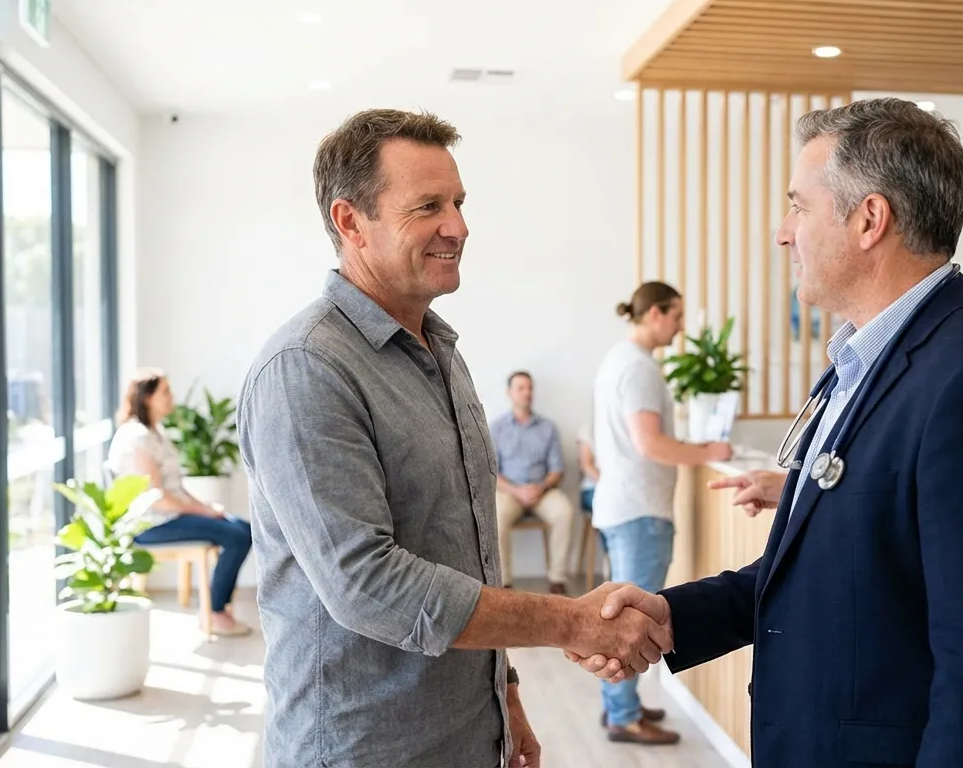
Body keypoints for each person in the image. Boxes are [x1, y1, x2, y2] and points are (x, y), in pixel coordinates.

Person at [571, 98, 963, 767]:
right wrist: (674, 616)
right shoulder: (861, 364)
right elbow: (825, 570)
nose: (783, 232)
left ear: (870, 219)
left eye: (798, 206)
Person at [238, 108, 672, 768]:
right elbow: (367, 583)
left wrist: (507, 694)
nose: (459, 227)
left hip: (468, 729)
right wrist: (569, 621)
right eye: (429, 207)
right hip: (365, 746)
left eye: (460, 203)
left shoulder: (441, 351)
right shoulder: (306, 369)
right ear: (350, 221)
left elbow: (466, 551)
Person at [590, 281, 733, 745]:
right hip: (639, 511)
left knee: (617, 613)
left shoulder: (619, 360)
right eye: (675, 315)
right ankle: (623, 715)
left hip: (621, 505)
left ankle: (618, 705)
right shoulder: (640, 369)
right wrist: (707, 450)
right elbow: (650, 443)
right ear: (654, 314)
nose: (680, 326)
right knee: (630, 620)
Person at [106, 368, 254, 638]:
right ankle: (215, 612)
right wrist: (205, 511)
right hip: (150, 524)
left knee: (243, 529)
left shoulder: (155, 433)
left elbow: (177, 487)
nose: (171, 397)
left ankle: (218, 607)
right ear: (148, 397)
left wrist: (209, 508)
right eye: (165, 391)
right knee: (236, 536)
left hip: (170, 516)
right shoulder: (136, 437)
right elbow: (158, 498)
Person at [491, 370, 576, 593]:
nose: (527, 393)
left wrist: (539, 488)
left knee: (564, 511)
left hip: (543, 490)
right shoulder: (497, 428)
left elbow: (557, 470)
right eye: (521, 388)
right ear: (509, 393)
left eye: (530, 388)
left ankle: (557, 579)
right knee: (496, 516)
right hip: (509, 491)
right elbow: (491, 471)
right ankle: (504, 582)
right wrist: (517, 491)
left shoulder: (548, 427)